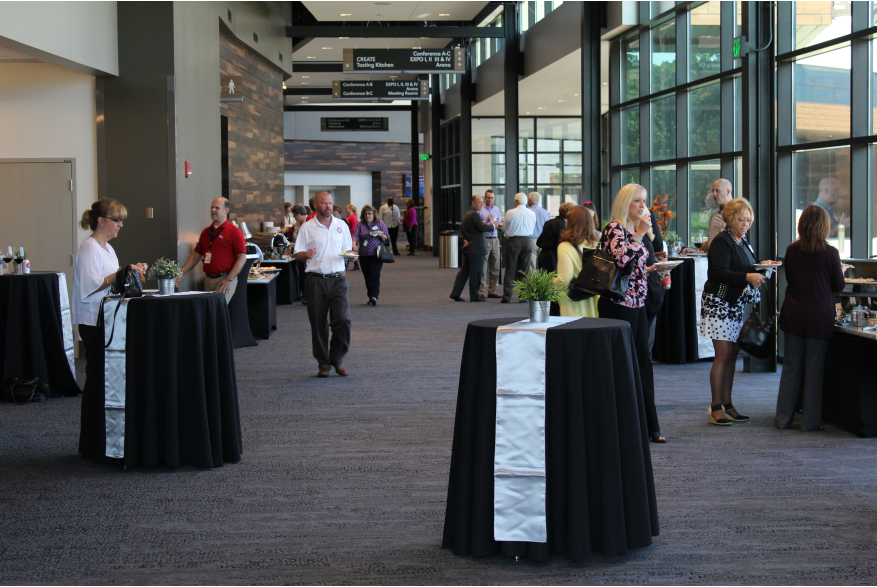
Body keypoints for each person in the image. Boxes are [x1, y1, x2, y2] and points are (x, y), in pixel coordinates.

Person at [73, 199, 147, 459]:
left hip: (107, 318)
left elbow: (113, 283)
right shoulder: (88, 248)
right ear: (101, 221)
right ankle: (93, 442)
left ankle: (104, 439)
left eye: (121, 220)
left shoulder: (107, 249)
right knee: (97, 380)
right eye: (117, 220)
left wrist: (131, 273)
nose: (121, 225)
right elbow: (91, 286)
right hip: (93, 321)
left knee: (106, 380)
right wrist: (122, 273)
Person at [598, 184, 665, 443]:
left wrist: (655, 269)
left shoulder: (641, 231)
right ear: (626, 203)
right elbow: (621, 260)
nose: (642, 206)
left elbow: (637, 266)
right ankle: (623, 424)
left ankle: (651, 425)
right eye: (637, 201)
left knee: (643, 362)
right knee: (622, 363)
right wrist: (638, 234)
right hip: (617, 304)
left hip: (637, 303)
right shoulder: (614, 228)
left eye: (644, 202)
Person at [775, 206, 846, 432]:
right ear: (823, 226)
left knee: (790, 369)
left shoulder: (791, 251)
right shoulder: (830, 253)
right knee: (814, 371)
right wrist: (841, 271)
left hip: (793, 314)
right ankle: (811, 423)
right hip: (818, 317)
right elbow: (838, 285)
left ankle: (783, 419)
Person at [700, 197, 765, 426]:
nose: (745, 224)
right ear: (729, 218)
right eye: (741, 219)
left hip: (736, 303)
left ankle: (727, 404)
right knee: (723, 354)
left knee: (733, 355)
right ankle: (715, 406)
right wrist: (748, 276)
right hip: (719, 302)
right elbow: (718, 272)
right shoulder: (722, 241)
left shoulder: (742, 241)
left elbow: (745, 267)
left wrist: (761, 269)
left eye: (748, 220)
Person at [293, 191, 354, 377]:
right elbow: (297, 253)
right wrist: (306, 254)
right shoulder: (307, 227)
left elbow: (348, 249)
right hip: (315, 281)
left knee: (343, 319)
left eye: (330, 203)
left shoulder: (341, 225)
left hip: (338, 280)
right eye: (324, 203)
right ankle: (323, 363)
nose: (328, 206)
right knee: (318, 323)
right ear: (316, 205)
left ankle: (337, 357)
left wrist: (351, 256)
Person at [177, 197, 247, 302]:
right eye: (212, 207)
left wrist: (229, 279)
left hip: (224, 279)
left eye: (217, 208)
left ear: (226, 211)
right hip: (208, 279)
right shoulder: (206, 232)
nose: (213, 210)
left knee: (217, 310)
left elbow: (242, 257)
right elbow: (195, 256)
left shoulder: (234, 232)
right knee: (210, 312)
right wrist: (180, 273)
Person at [554, 206, 600, 317]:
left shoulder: (565, 247)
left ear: (570, 223)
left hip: (573, 305)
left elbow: (564, 280)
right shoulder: (597, 244)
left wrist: (552, 282)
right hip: (594, 301)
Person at [450, 195, 496, 302]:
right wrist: (493, 226)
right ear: (473, 203)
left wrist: (464, 240)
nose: (482, 204)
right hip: (476, 248)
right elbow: (481, 227)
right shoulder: (474, 214)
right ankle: (475, 296)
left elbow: (461, 230)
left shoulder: (468, 214)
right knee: (476, 273)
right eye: (480, 202)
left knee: (464, 272)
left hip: (469, 247)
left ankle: (455, 293)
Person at [500, 193, 537, 303]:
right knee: (525, 269)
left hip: (514, 241)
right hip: (527, 241)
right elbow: (533, 227)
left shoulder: (510, 212)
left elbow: (504, 228)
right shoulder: (531, 213)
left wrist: (508, 233)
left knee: (510, 269)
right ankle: (523, 296)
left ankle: (507, 296)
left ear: (516, 201)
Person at [682, 178, 734, 254]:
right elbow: (711, 241)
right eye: (713, 191)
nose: (714, 194)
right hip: (714, 263)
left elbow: (741, 240)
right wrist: (698, 250)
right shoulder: (714, 215)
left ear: (728, 192)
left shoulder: (738, 213)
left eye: (717, 191)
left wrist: (727, 228)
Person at [354, 204, 390, 306]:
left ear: (374, 214)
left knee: (374, 274)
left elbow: (386, 237)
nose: (367, 216)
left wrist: (379, 234)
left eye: (369, 214)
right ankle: (370, 295)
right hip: (364, 255)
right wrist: (353, 245)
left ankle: (374, 296)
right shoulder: (360, 225)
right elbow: (355, 236)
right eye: (365, 214)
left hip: (376, 254)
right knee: (367, 276)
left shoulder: (380, 223)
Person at [478, 189, 503, 299]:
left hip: (496, 239)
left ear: (494, 198)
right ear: (485, 198)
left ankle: (492, 291)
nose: (490, 199)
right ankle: (481, 291)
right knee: (484, 266)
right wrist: (488, 221)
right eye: (488, 197)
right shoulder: (480, 210)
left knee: (495, 266)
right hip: (485, 239)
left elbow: (499, 223)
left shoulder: (497, 209)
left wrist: (499, 224)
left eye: (492, 197)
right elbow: (478, 225)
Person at [536, 202, 573, 272]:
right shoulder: (562, 225)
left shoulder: (549, 222)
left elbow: (539, 242)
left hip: (543, 255)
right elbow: (559, 245)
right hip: (554, 258)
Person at [345, 205, 360, 271]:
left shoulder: (353, 217)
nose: (345, 209)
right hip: (347, 236)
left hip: (351, 236)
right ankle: (356, 265)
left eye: (346, 208)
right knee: (350, 251)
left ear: (350, 209)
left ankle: (347, 265)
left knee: (350, 251)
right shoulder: (347, 217)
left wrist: (352, 238)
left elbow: (354, 229)